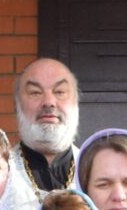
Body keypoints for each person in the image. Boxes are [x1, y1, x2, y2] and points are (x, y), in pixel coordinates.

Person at [15, 57, 81, 192]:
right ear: (17, 105)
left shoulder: (95, 171)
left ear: (76, 102)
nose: (49, 102)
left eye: (60, 92)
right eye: (35, 92)